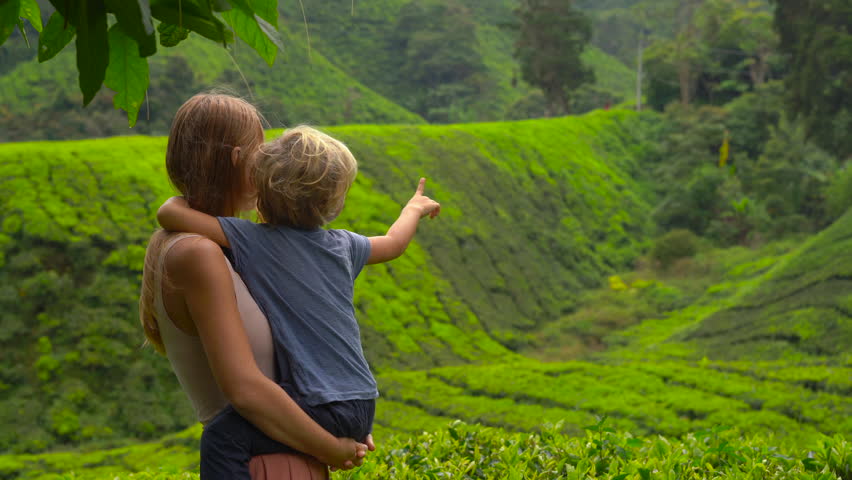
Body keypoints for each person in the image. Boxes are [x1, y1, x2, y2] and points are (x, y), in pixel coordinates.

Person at [157, 125, 441, 479]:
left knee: (223, 436)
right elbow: (393, 243)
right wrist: (413, 208)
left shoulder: (252, 241)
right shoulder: (344, 245)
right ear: (333, 203)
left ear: (262, 192)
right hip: (360, 401)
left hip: (317, 399)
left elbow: (169, 215)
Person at [140, 95, 373, 479]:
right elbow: (246, 389)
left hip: (287, 452)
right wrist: (331, 446)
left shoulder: (241, 250)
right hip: (263, 465)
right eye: (261, 151)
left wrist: (340, 418)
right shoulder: (199, 253)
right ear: (238, 159)